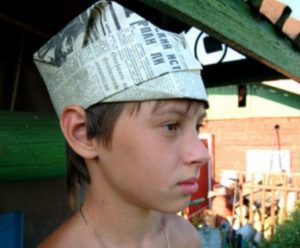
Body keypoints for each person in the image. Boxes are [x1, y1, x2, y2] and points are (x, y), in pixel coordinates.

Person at [34, 1, 210, 247]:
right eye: (171, 125)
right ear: (83, 133)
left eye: (198, 126)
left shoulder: (185, 238)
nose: (202, 153)